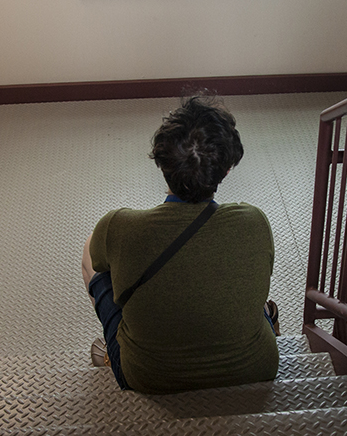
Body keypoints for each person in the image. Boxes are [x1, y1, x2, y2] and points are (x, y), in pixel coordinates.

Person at [81, 95, 279, 394]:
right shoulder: (254, 221)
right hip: (254, 368)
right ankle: (270, 319)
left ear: (161, 162)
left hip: (149, 377)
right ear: (226, 170)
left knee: (92, 257)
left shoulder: (119, 227)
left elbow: (96, 263)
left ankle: (116, 350)